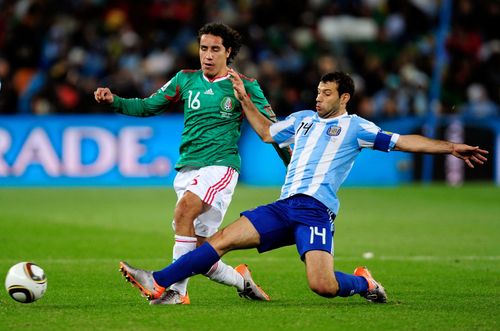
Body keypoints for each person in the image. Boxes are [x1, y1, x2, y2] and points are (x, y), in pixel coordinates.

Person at [118, 71, 488, 304]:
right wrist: (245, 101)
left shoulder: (357, 127)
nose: (318, 97)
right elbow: (265, 132)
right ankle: (159, 281)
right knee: (221, 240)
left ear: (344, 98)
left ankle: (364, 284)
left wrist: (451, 147)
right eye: (318, 91)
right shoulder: (302, 120)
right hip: (283, 206)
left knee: (322, 285)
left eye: (326, 93)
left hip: (315, 210)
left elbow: (404, 141)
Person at [95, 23, 290, 305]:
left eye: (214, 49)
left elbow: (274, 131)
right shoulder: (185, 80)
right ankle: (242, 281)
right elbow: (148, 106)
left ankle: (175, 291)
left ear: (228, 52)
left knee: (185, 209)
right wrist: (115, 101)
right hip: (187, 167)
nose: (207, 55)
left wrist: (292, 169)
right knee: (202, 252)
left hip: (221, 166)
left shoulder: (244, 86)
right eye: (203, 49)